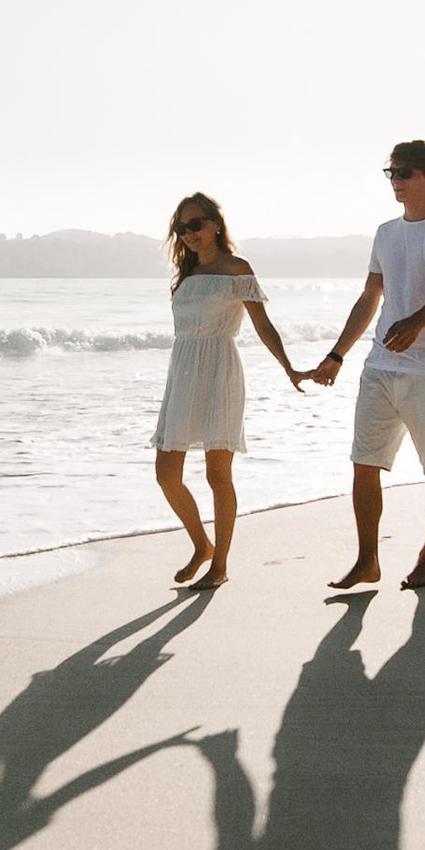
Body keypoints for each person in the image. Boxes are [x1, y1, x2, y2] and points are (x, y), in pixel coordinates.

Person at [303, 140, 425, 590]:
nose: (395, 180)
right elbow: (370, 296)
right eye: (391, 173)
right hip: (380, 367)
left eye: (404, 172)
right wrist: (337, 353)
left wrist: (417, 323)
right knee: (363, 463)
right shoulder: (385, 233)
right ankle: (367, 561)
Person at [154, 194, 305, 588]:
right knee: (166, 474)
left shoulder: (237, 268)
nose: (189, 234)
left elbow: (263, 325)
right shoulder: (184, 275)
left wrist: (288, 367)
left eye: (196, 225)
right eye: (181, 228)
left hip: (220, 372)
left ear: (216, 224)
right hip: (183, 375)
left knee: (217, 474)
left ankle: (219, 565)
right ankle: (201, 545)